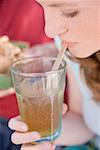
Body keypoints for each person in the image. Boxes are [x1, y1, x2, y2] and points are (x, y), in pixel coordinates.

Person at [8, 0, 100, 150]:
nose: (49, 31)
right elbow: (83, 121)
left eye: (69, 12)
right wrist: (41, 132)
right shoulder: (69, 46)